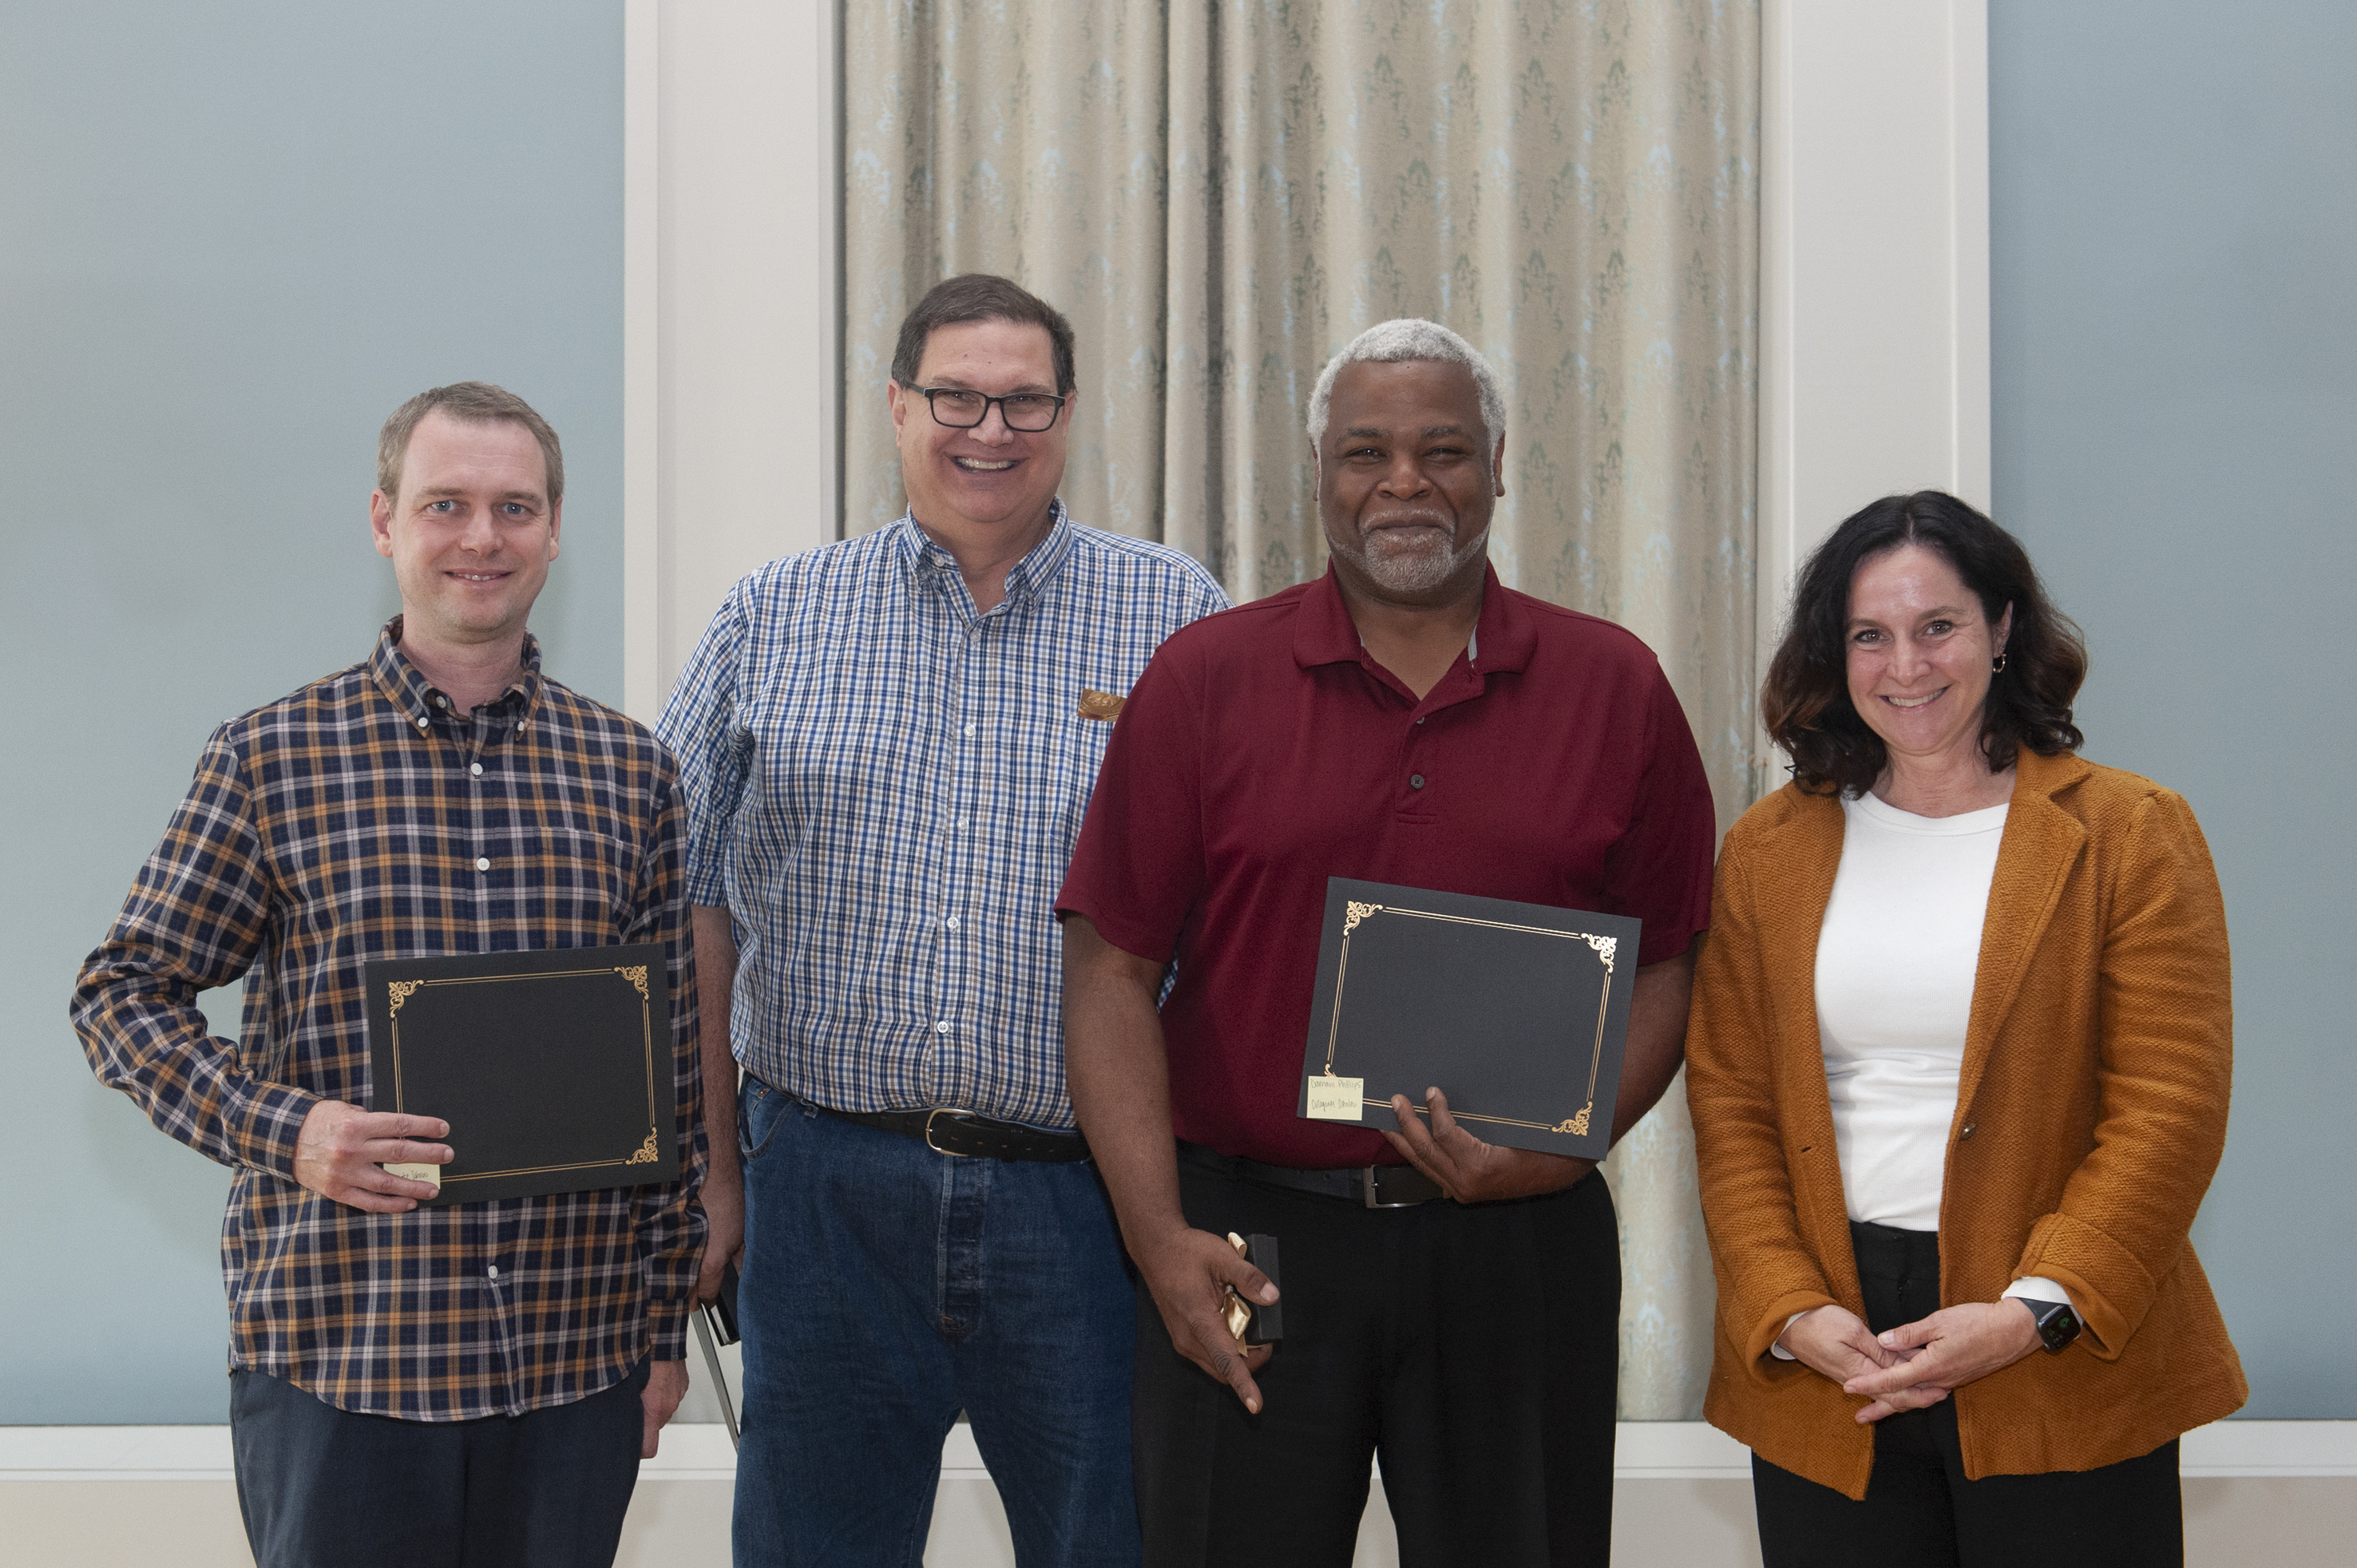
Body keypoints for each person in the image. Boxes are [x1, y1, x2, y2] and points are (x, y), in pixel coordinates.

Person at [1056, 319, 1719, 1566]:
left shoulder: (1614, 687)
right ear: (1318, 474)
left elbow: (1669, 965)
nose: (1405, 483)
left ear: (1501, 467)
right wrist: (1156, 1241)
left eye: (1444, 450)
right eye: (1366, 451)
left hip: (1518, 1250)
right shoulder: (1202, 681)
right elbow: (1109, 971)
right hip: (1247, 1246)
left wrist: (1555, 1151)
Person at [71, 382, 707, 1567]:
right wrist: (291, 1128)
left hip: (571, 1368)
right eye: (445, 504)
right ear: (384, 523)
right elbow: (120, 998)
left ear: (556, 529)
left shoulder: (632, 776)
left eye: (514, 507)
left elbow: (668, 1075)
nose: (481, 537)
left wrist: (659, 1329)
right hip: (343, 1359)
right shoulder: (271, 759)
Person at [657, 272, 1227, 1566]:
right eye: (958, 397)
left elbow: (1243, 901)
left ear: (1069, 417)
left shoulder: (1181, 617)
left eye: (1025, 400)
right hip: (822, 1190)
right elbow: (676, 891)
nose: (991, 429)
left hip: (1087, 1202)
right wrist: (714, 1171)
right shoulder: (772, 614)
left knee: (1116, 1546)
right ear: (900, 408)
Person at [1684, 491, 2247, 1566]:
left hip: (2056, 1345)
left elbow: (2169, 1108)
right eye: (1869, 635)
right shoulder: (1769, 849)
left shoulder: (2131, 832)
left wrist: (2035, 1308)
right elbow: (1733, 1105)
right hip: (1834, 1357)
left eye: (1937, 626)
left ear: (2001, 628)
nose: (1908, 665)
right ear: (1834, 653)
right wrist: (1788, 1307)